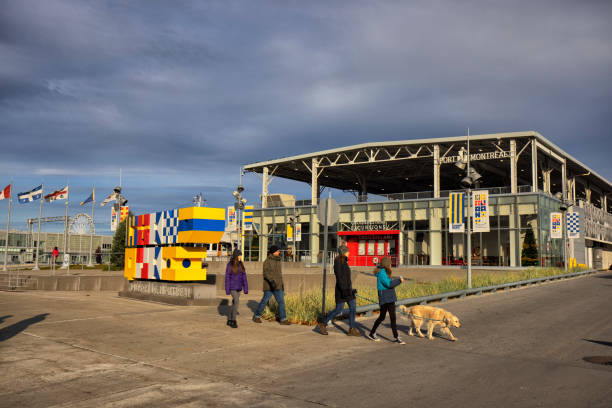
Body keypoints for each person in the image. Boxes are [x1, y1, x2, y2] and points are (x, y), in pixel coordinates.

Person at [317, 245, 360, 336]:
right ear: (343, 252)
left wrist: (351, 289)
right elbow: (340, 278)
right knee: (339, 309)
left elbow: (346, 278)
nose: (349, 252)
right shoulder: (338, 262)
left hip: (348, 290)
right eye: (347, 251)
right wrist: (345, 290)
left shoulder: (344, 262)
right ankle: (323, 323)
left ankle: (352, 329)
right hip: (342, 291)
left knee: (352, 308)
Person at [368, 257, 405, 344]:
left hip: (390, 297)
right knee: (382, 317)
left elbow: (389, 283)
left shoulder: (385, 272)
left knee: (393, 317)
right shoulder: (382, 273)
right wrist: (399, 280)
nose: (391, 264)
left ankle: (396, 337)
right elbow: (389, 284)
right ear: (387, 264)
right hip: (384, 298)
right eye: (390, 263)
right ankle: (372, 333)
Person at [253, 245, 290, 325]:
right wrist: (272, 281)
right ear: (274, 252)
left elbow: (279, 274)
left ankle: (283, 319)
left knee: (281, 302)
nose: (279, 252)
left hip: (278, 286)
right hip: (269, 286)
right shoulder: (267, 261)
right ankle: (257, 316)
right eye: (277, 251)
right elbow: (266, 273)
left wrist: (282, 284)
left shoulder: (278, 260)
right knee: (264, 301)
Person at [225, 249, 248, 328]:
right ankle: (234, 320)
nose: (241, 257)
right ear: (236, 256)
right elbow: (227, 278)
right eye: (240, 255)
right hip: (232, 288)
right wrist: (227, 289)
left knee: (234, 303)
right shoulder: (230, 265)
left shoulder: (241, 264)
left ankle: (229, 319)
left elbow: (244, 277)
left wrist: (245, 288)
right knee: (237, 302)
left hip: (239, 288)